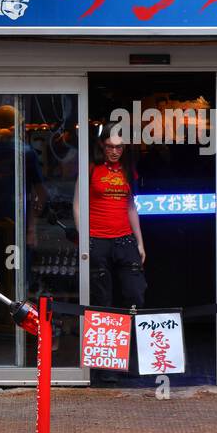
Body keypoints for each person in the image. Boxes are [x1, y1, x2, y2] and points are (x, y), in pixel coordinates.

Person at [75, 123, 147, 309]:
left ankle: (129, 337)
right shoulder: (91, 169)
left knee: (135, 293)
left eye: (119, 147)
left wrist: (139, 242)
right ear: (102, 145)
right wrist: (84, 237)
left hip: (124, 238)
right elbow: (77, 205)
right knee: (101, 297)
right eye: (110, 146)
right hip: (97, 239)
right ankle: (106, 338)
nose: (114, 151)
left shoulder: (128, 170)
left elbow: (131, 207)